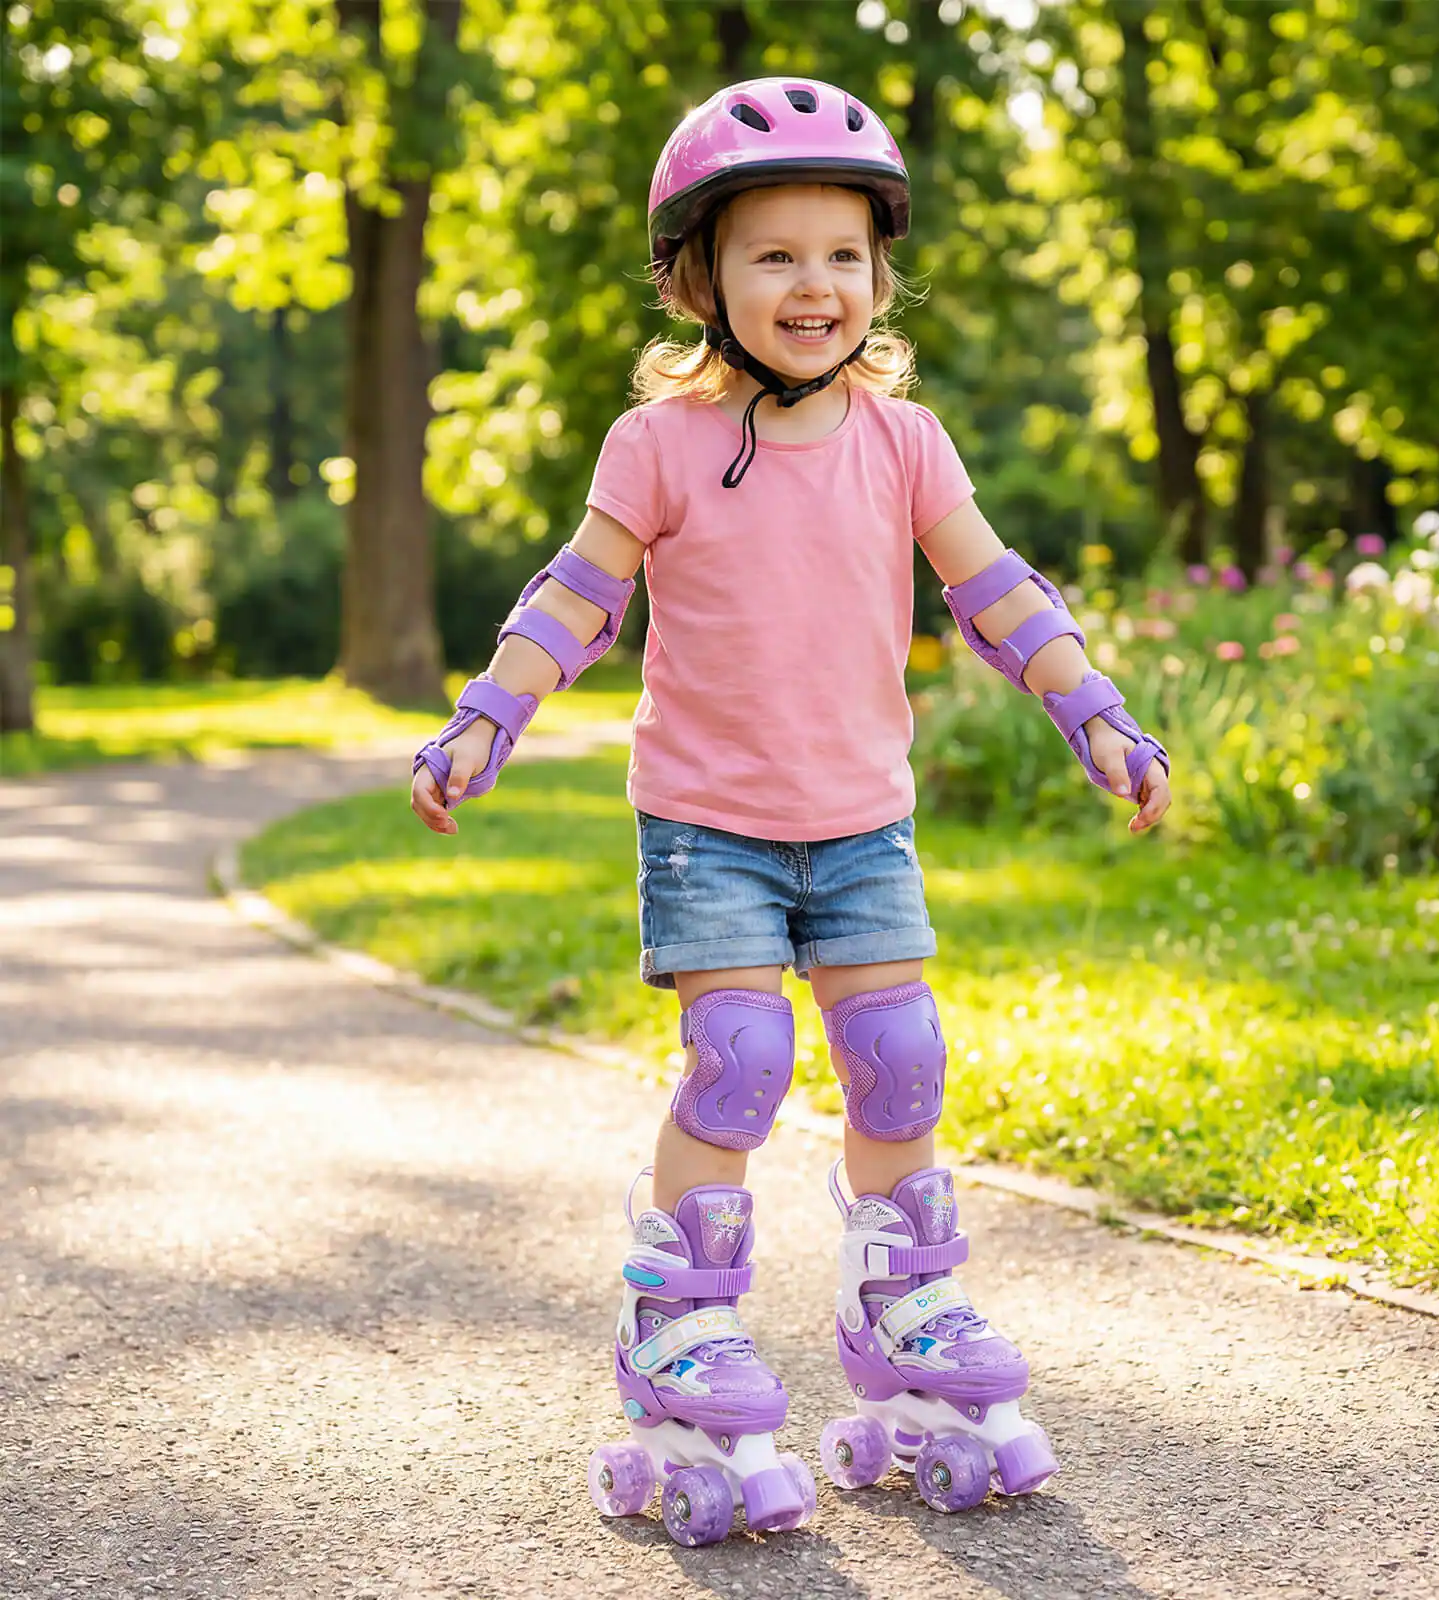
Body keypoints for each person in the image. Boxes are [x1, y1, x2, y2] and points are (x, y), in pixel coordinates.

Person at [411, 77, 1171, 1547]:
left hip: (863, 822)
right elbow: (576, 595)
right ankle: (676, 1328)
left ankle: (910, 1310)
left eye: (842, 254)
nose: (813, 285)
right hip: (710, 824)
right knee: (742, 1059)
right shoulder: (658, 444)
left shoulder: (906, 440)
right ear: (701, 276)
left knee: (898, 1064)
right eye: (773, 255)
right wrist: (489, 715)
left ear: (880, 274)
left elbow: (998, 588)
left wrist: (1095, 706)